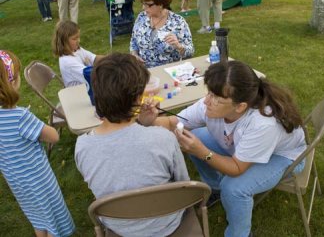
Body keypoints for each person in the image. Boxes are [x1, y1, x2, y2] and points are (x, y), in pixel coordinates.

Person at [138, 61, 307, 237]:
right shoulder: (212, 105)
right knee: (197, 136)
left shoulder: (263, 124)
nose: (206, 101)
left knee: (234, 188)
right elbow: (174, 122)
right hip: (243, 147)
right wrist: (150, 120)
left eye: (216, 98)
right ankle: (215, 189)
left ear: (240, 106)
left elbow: (237, 168)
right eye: (209, 93)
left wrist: (202, 151)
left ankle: (239, 233)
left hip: (283, 157)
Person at [75, 53, 190, 236]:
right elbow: (184, 186)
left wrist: (142, 124)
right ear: (138, 97)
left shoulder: (82, 145)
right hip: (167, 223)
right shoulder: (163, 138)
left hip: (118, 225)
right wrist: (148, 126)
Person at [0, 50, 75, 237]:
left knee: (38, 217)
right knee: (53, 216)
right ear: (13, 82)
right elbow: (53, 136)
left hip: (17, 182)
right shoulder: (20, 117)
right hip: (39, 180)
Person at [130, 0, 194, 68]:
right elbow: (133, 42)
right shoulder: (141, 17)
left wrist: (179, 46)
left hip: (169, 72)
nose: (143, 8)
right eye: (143, 3)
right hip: (143, 73)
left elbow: (190, 51)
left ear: (161, 4)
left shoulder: (178, 22)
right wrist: (134, 54)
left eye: (148, 5)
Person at [52, 20, 103, 87]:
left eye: (78, 37)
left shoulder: (76, 50)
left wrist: (113, 59)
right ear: (64, 41)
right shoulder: (68, 62)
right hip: (80, 94)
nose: (78, 40)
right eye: (74, 38)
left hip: (87, 86)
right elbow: (92, 76)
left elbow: (94, 58)